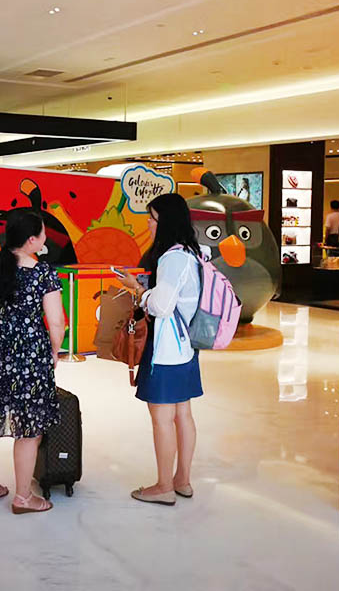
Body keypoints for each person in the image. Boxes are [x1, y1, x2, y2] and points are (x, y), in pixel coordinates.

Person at [0, 208, 65, 514]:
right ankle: (23, 497)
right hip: (28, 357)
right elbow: (56, 322)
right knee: (28, 427)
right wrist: (54, 351)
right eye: (42, 233)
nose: (44, 238)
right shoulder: (43, 273)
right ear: (31, 240)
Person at [118, 193, 203, 506]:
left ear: (165, 221)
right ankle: (182, 480)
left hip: (166, 349)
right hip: (186, 347)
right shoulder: (192, 253)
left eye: (152, 218)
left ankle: (164, 486)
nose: (148, 224)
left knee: (162, 419)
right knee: (183, 414)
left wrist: (138, 290)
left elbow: (161, 306)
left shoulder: (171, 258)